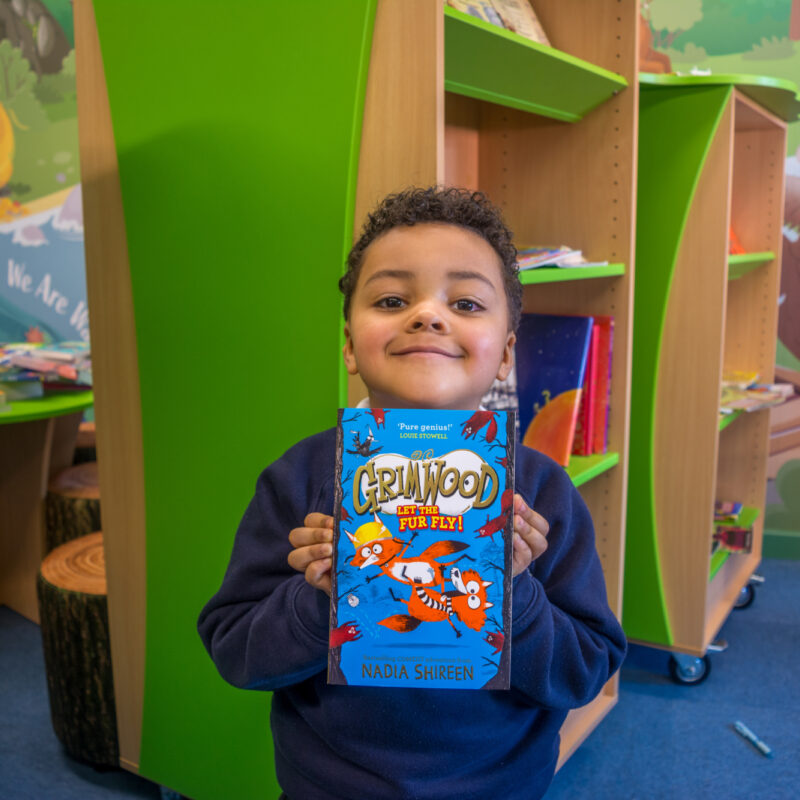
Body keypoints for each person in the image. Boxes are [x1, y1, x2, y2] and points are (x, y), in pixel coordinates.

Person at [198, 186, 626, 800]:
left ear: (506, 354)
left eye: (467, 303)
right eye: (393, 299)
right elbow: (234, 650)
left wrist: (514, 593)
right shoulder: (299, 481)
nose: (428, 316)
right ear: (349, 344)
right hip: (328, 786)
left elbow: (585, 669)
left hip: (500, 785)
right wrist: (323, 598)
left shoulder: (540, 497)